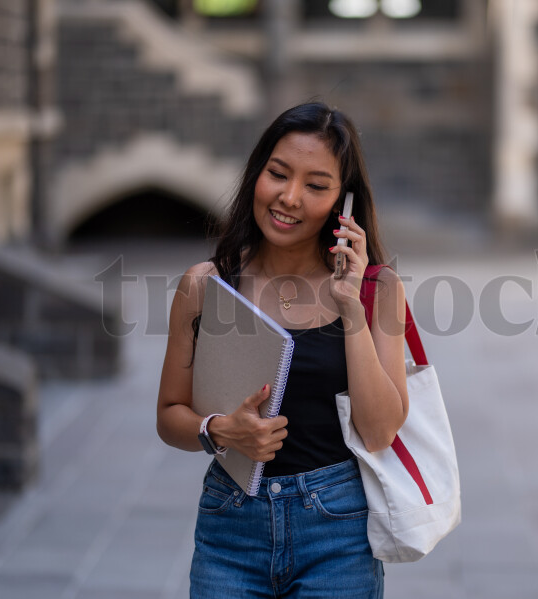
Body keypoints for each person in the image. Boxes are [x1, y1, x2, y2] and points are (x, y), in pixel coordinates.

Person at [156, 102, 409, 598]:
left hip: (337, 530)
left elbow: (379, 432)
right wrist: (221, 430)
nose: (289, 197)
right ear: (257, 174)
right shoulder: (205, 285)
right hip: (230, 528)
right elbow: (169, 415)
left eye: (316, 186)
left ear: (344, 201)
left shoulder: (379, 291)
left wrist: (351, 309)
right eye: (278, 174)